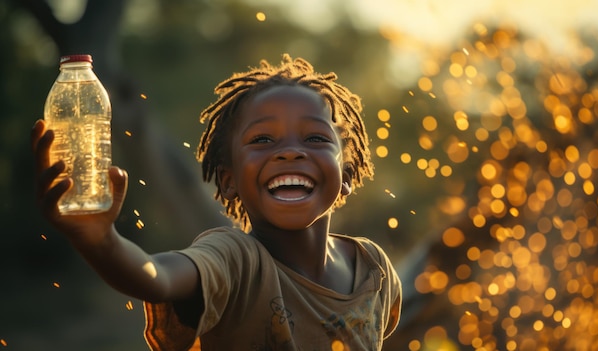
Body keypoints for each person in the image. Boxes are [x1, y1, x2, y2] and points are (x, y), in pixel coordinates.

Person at [32, 54, 402, 351]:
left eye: (316, 139)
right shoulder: (234, 258)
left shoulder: (373, 270)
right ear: (228, 181)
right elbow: (156, 278)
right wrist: (101, 242)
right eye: (262, 140)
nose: (290, 152)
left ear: (348, 175)